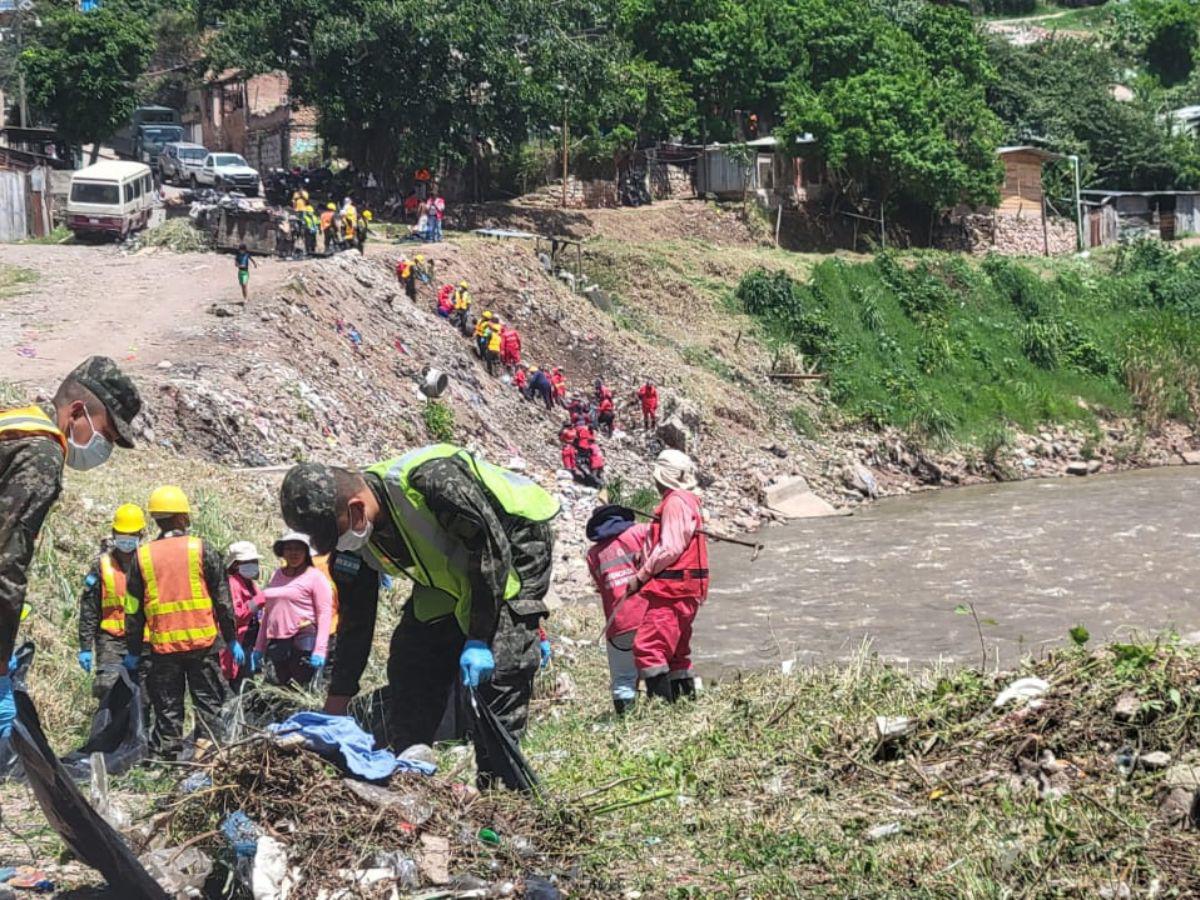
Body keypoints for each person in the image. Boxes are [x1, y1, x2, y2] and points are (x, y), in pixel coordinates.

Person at [278, 445, 558, 787]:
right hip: (446, 573)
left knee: (501, 664)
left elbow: (490, 550)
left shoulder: (432, 482)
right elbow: (355, 621)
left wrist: (477, 638)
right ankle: (413, 763)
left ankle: (499, 788)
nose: (328, 548)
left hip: (514, 545)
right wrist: (336, 705)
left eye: (332, 535)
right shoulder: (353, 543)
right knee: (412, 658)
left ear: (356, 510)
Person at [0, 357, 142, 737]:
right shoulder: (41, 454)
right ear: (77, 411)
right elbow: (6, 564)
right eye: (107, 435)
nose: (105, 448)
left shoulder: (13, 424)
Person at [124, 485, 239, 757]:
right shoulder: (201, 549)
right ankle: (211, 754)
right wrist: (232, 637)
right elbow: (223, 599)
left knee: (168, 707)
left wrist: (132, 649)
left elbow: (132, 609)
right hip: (203, 644)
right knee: (209, 703)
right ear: (180, 518)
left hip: (163, 648)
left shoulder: (142, 556)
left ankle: (168, 758)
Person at [626, 450, 708, 703]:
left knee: (648, 647)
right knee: (676, 652)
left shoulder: (674, 502)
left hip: (672, 589)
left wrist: (640, 575)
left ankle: (661, 708)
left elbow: (670, 547)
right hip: (688, 588)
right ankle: (683, 706)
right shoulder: (690, 500)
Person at [77, 503, 149, 699]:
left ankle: (139, 729)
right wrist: (85, 646)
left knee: (145, 696)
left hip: (145, 641)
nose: (126, 540)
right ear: (114, 533)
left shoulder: (149, 563)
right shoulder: (102, 565)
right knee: (108, 689)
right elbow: (89, 608)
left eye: (131, 535)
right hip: (111, 639)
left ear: (141, 535)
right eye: (122, 534)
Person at [585, 505, 650, 715]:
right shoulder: (640, 532)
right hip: (648, 617)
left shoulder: (593, 554)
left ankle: (626, 725)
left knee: (623, 680)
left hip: (618, 624)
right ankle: (663, 717)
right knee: (656, 668)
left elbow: (599, 586)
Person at [252, 532, 333, 688]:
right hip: (277, 640)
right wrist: (259, 647)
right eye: (289, 548)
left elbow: (324, 614)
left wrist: (320, 649)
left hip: (303, 638)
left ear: (306, 552)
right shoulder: (277, 575)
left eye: (298, 549)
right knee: (275, 689)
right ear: (282, 552)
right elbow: (269, 613)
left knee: (299, 687)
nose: (293, 553)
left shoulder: (315, 577)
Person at [221, 541, 265, 691]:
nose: (253, 564)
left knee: (248, 682)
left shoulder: (250, 583)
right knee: (241, 684)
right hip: (240, 640)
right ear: (235, 564)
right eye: (248, 562)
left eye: (254, 561)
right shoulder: (233, 584)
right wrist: (258, 601)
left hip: (250, 641)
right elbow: (236, 614)